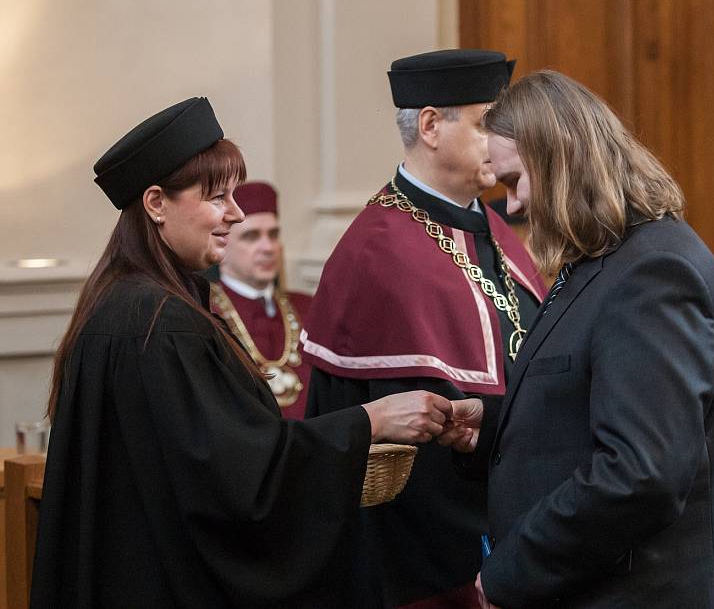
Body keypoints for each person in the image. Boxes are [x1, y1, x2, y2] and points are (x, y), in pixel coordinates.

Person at [30, 97, 453, 608]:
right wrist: (370, 420)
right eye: (216, 197)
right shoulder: (160, 325)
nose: (235, 213)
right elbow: (241, 479)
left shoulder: (122, 304)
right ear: (157, 203)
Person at [441, 70, 714, 608]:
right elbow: (596, 402)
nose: (514, 206)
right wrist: (494, 425)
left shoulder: (652, 272)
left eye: (515, 181)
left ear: (562, 161)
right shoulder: (603, 260)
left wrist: (509, 573)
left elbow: (641, 474)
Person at [302, 49, 548, 607]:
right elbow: (393, 443)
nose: (506, 143)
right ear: (432, 125)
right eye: (489, 123)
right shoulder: (378, 249)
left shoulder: (499, 231)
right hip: (430, 562)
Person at [211, 181, 312, 419]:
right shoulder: (204, 313)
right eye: (251, 236)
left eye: (274, 234)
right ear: (222, 244)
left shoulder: (310, 308)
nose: (268, 247)